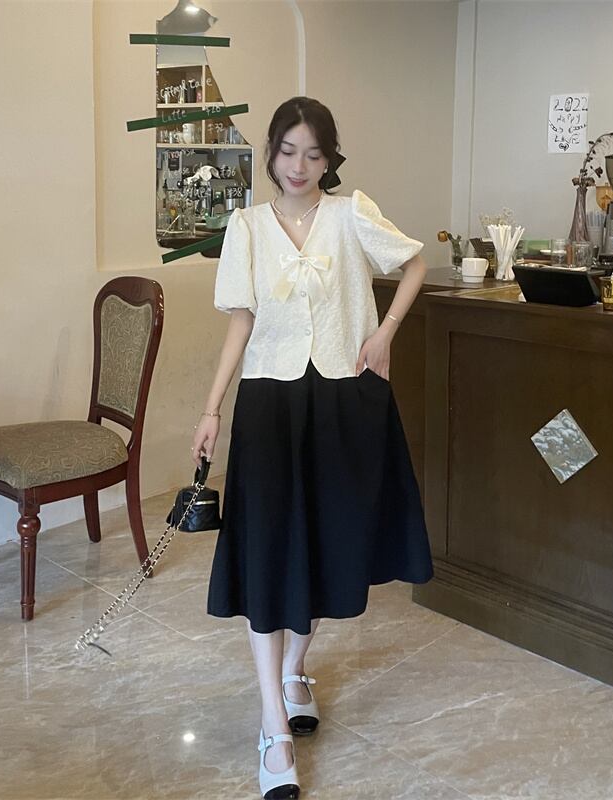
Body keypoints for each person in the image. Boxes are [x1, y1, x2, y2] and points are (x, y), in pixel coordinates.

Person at [191, 96, 433, 800]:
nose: (299, 166)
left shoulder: (352, 214)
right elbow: (241, 323)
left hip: (343, 399)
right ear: (271, 152)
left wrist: (385, 332)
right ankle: (273, 724)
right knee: (269, 556)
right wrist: (210, 409)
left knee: (327, 547)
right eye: (288, 151)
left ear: (330, 158)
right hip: (269, 405)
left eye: (314, 153)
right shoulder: (246, 227)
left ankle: (297, 669)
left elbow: (414, 264)